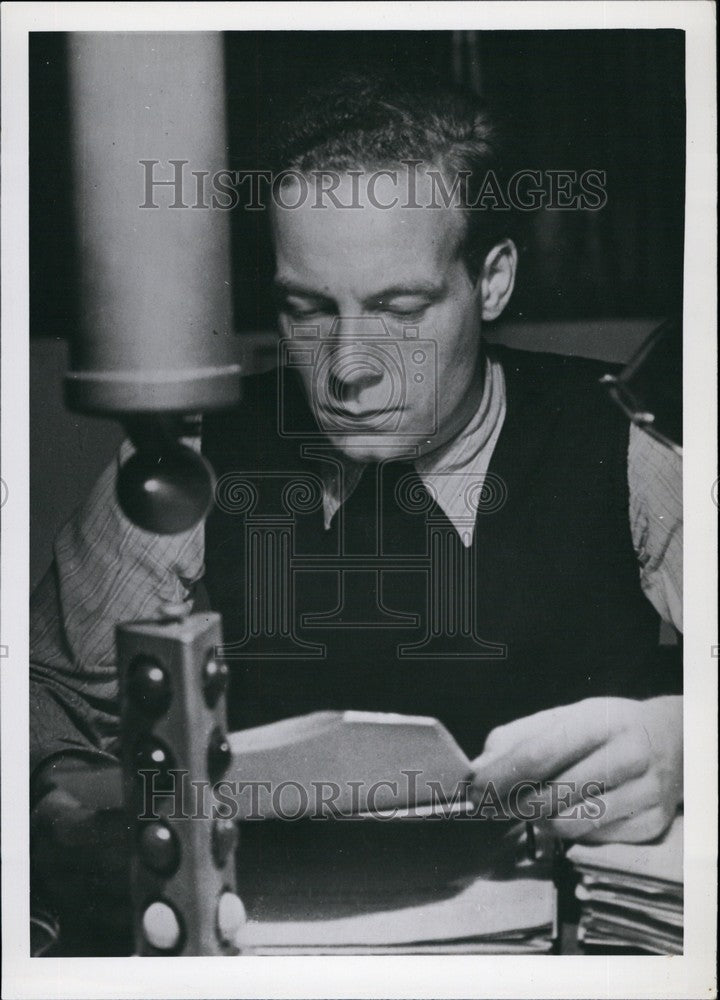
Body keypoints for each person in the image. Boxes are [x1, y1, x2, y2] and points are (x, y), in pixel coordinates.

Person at [30, 73, 682, 946]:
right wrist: (62, 820)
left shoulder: (627, 438)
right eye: (306, 309)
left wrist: (683, 742)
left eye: (398, 309)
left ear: (491, 281)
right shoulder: (185, 463)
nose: (346, 368)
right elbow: (42, 705)